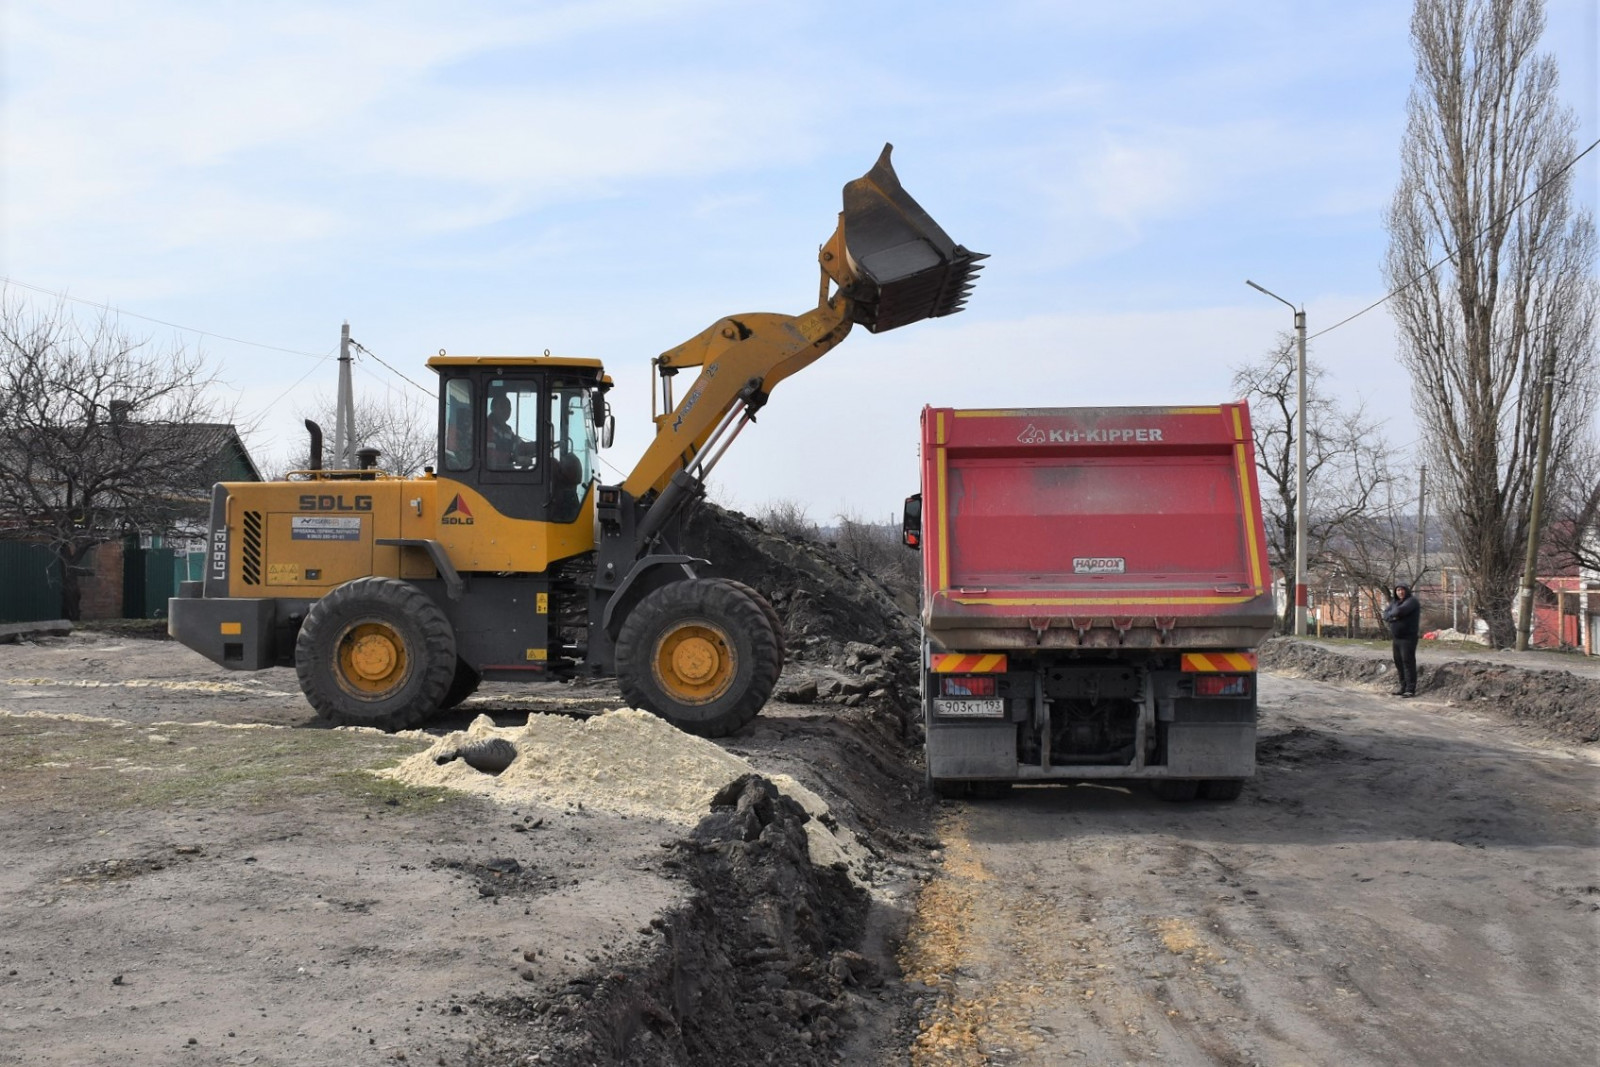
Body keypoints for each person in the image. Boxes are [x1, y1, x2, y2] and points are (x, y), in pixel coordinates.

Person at [1382, 583, 1421, 697]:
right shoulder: (1395, 602)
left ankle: (1410, 689)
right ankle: (1403, 687)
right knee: (1398, 662)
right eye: (1398, 590)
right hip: (1397, 638)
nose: (1400, 592)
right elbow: (1385, 615)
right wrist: (1393, 616)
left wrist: (1393, 615)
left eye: (1402, 590)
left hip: (1408, 637)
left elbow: (1399, 612)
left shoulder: (1412, 601)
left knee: (1407, 662)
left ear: (1406, 591)